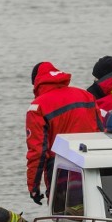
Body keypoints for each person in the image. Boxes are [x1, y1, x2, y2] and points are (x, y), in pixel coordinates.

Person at [26, 61, 101, 205]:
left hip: (61, 172)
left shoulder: (37, 107)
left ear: (36, 83)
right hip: (92, 165)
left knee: (65, 218)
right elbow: (101, 133)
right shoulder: (86, 95)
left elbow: (38, 152)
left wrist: (33, 187)